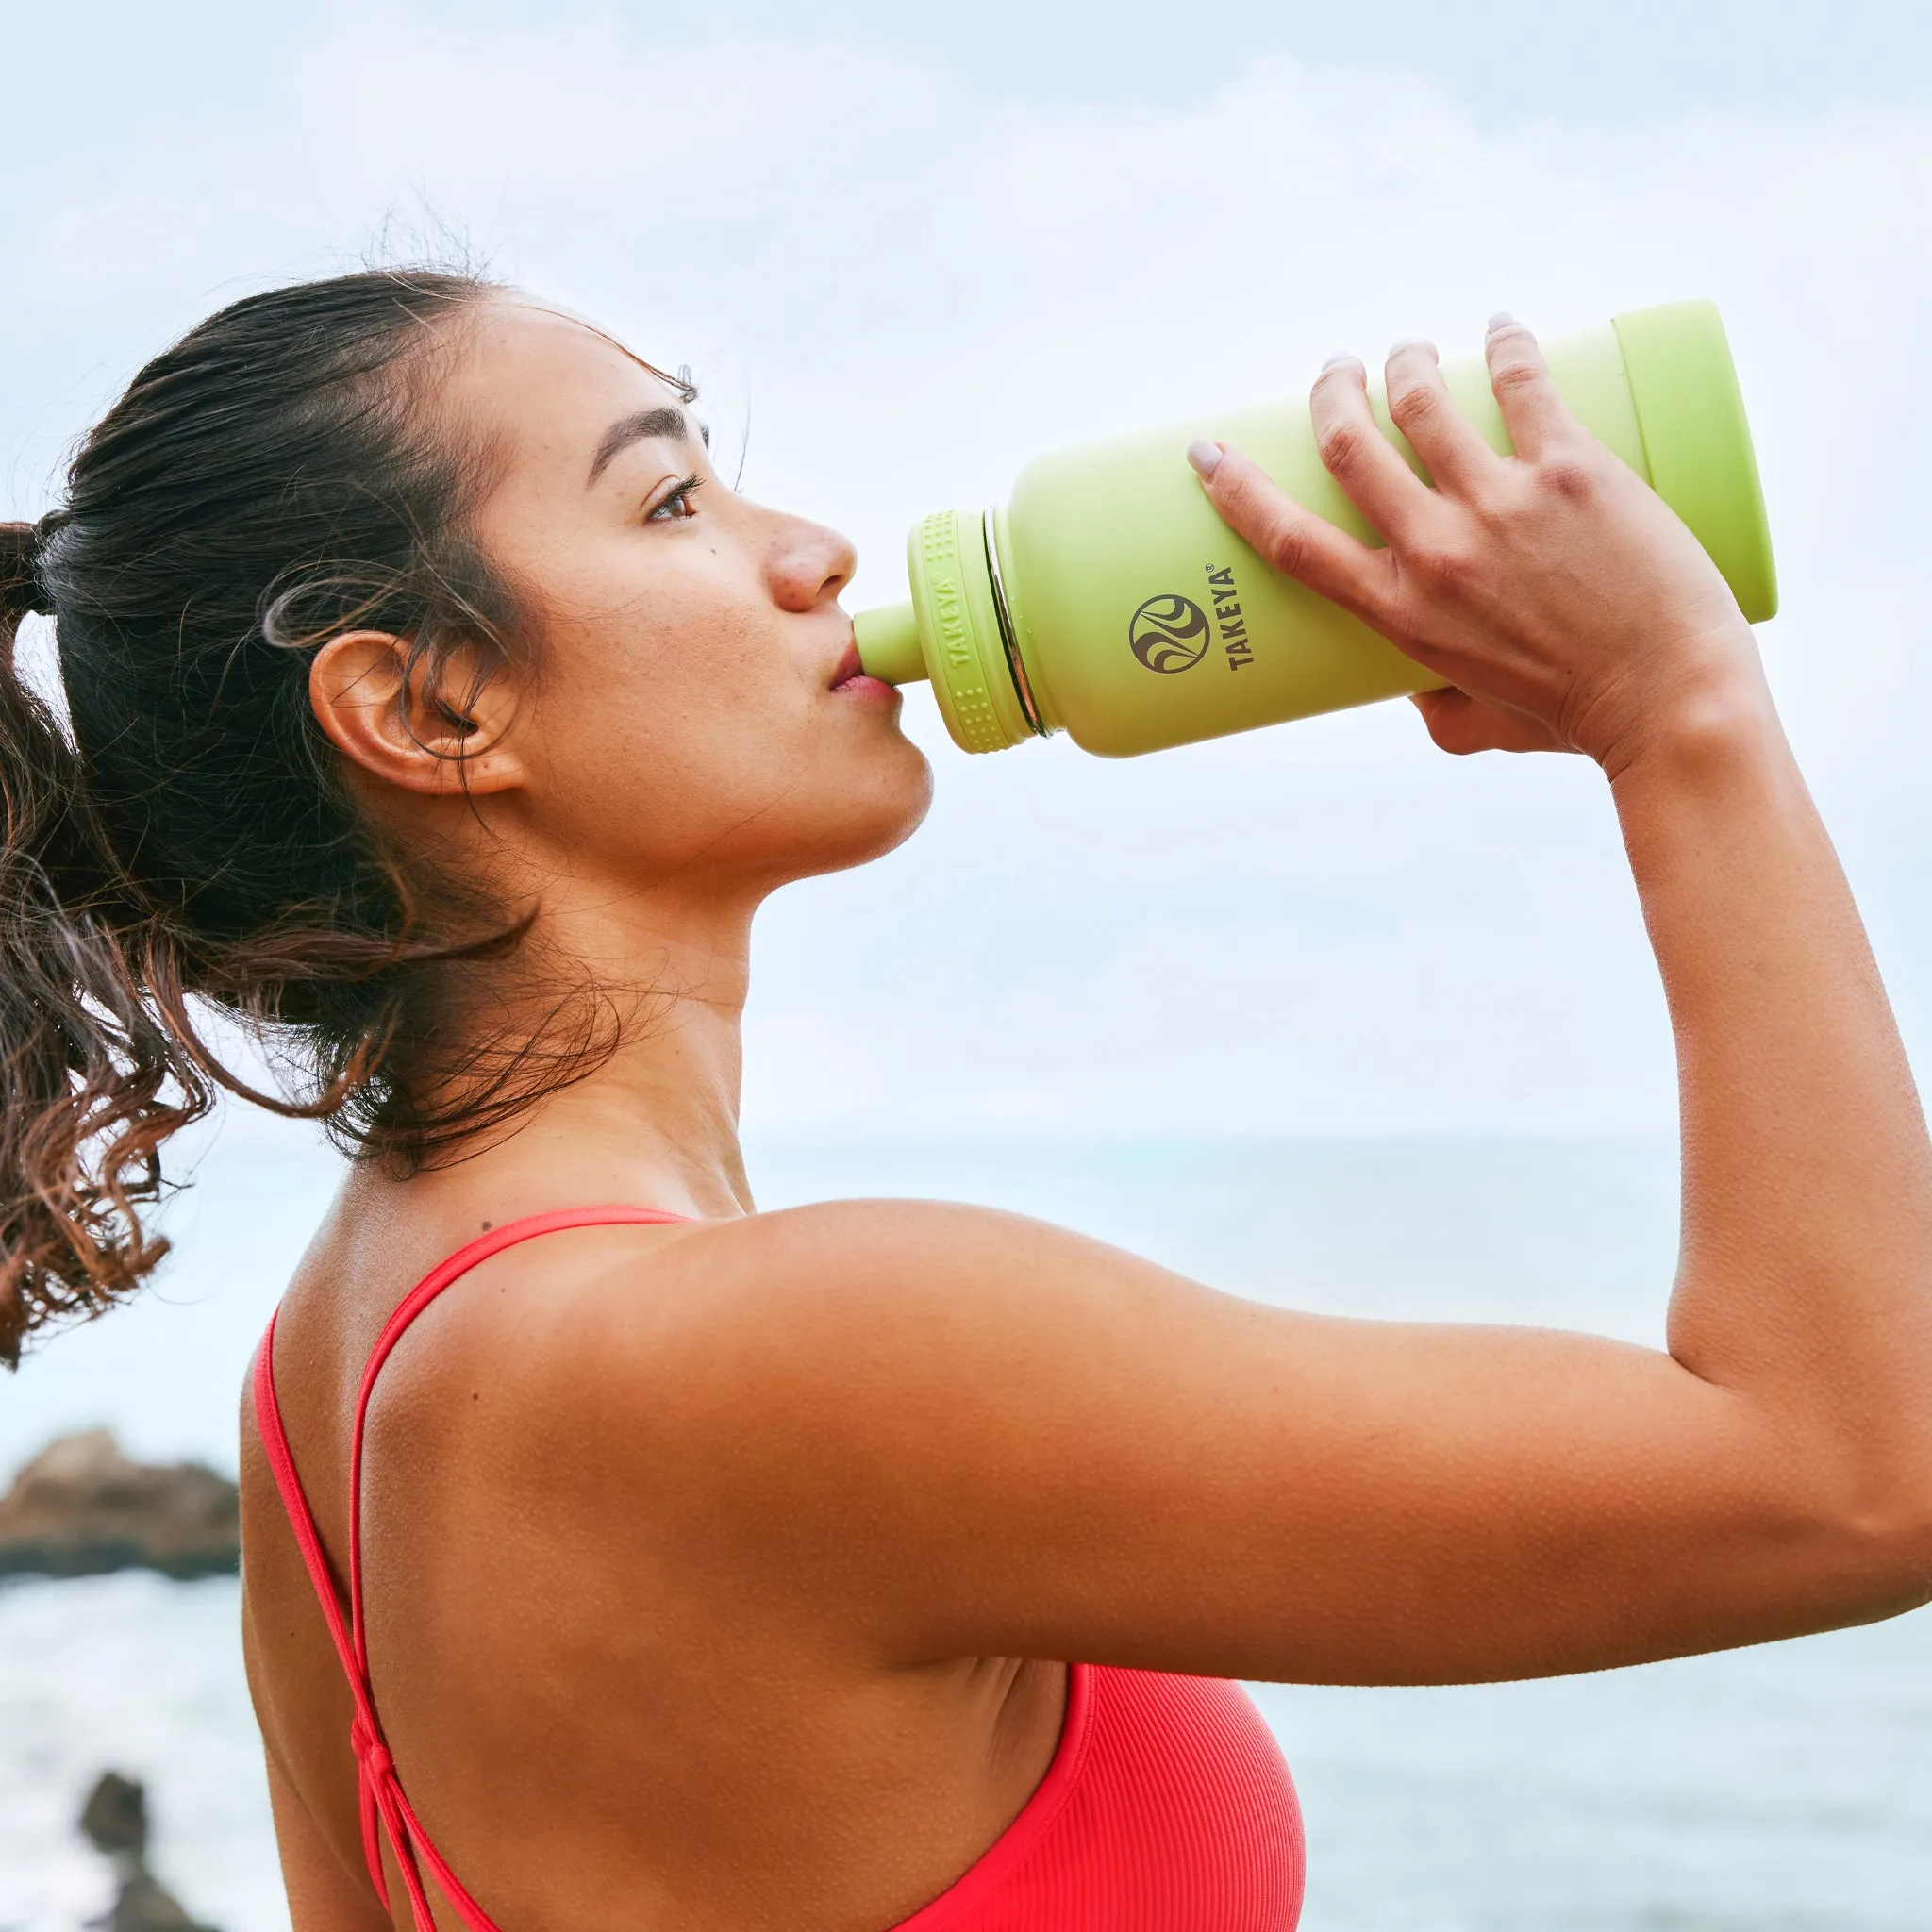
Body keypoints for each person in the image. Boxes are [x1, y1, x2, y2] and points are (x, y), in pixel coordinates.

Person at [2, 270, 1928, 1932]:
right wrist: (1674, 710)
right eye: (670, 498)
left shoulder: (322, 1386)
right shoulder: (773, 1355)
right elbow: (1855, 1472)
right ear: (428, 712)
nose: (812, 551)